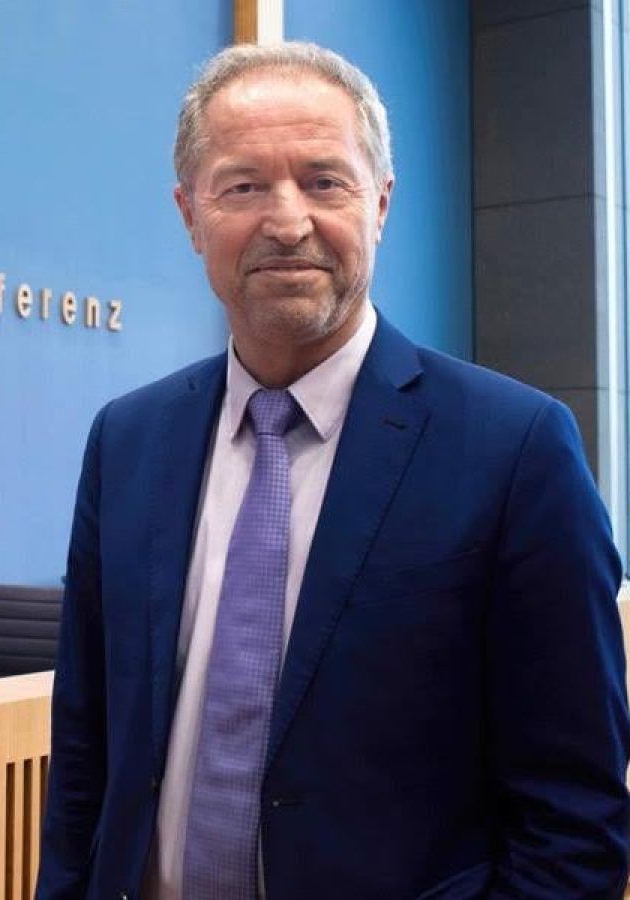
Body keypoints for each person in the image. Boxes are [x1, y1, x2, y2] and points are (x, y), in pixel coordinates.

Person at [35, 41, 630, 900]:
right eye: (243, 186)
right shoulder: (127, 441)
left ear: (379, 203)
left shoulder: (516, 449)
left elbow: (574, 821)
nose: (287, 222)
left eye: (324, 181)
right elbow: (84, 755)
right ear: (190, 215)